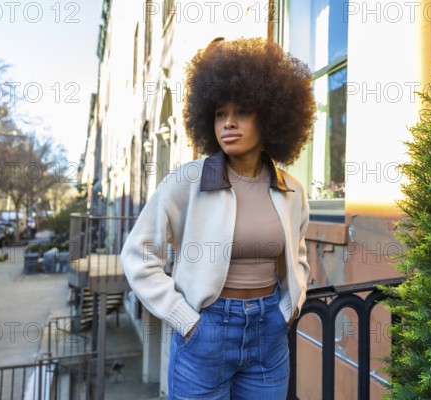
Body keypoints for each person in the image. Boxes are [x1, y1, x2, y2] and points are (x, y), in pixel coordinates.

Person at [120, 37, 316, 400]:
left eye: (241, 111)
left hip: (269, 334)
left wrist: (290, 306)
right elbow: (137, 256)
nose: (228, 123)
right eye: (219, 114)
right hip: (205, 331)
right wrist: (186, 320)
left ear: (270, 116)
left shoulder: (292, 190)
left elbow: (298, 256)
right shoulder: (186, 182)